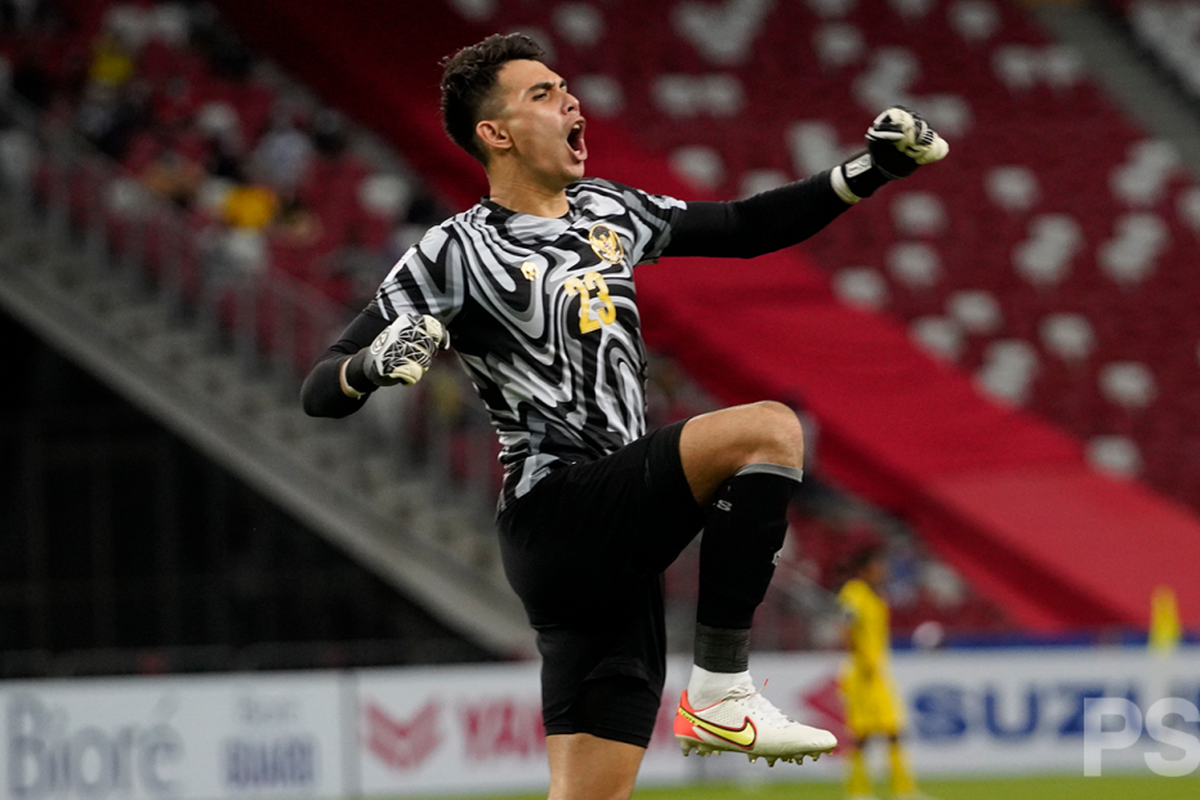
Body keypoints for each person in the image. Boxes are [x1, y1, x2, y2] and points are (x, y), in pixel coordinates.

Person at [301, 32, 948, 800]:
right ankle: (720, 688)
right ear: (495, 134)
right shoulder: (451, 251)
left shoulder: (608, 209)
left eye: (564, 87)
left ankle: (716, 694)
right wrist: (373, 364)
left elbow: (745, 228)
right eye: (542, 93)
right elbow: (319, 387)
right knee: (769, 429)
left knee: (590, 796)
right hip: (560, 510)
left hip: (612, 548)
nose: (569, 99)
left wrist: (871, 170)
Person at [837, 542, 926, 800]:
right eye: (877, 566)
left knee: (893, 730)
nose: (882, 570)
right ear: (864, 569)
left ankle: (902, 790)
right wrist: (860, 658)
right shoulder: (854, 592)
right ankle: (858, 791)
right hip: (862, 672)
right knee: (862, 734)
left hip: (877, 672)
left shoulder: (877, 595)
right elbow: (845, 629)